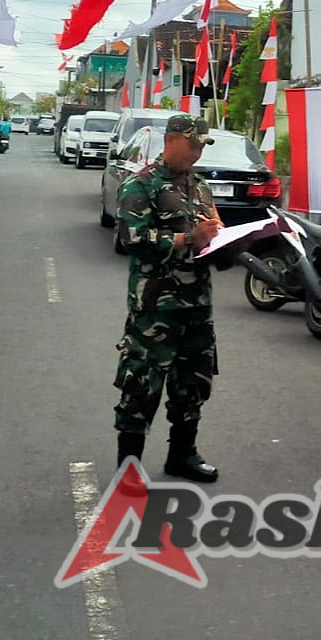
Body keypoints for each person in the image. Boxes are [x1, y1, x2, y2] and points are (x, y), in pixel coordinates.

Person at [113, 113, 225, 482]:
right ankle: (129, 470)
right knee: (142, 387)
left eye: (201, 147)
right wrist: (186, 239)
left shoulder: (200, 187)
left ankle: (182, 455)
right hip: (155, 307)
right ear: (172, 139)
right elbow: (131, 240)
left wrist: (225, 242)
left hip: (197, 305)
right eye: (192, 145)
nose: (196, 153)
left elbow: (210, 233)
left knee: (192, 384)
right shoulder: (140, 185)